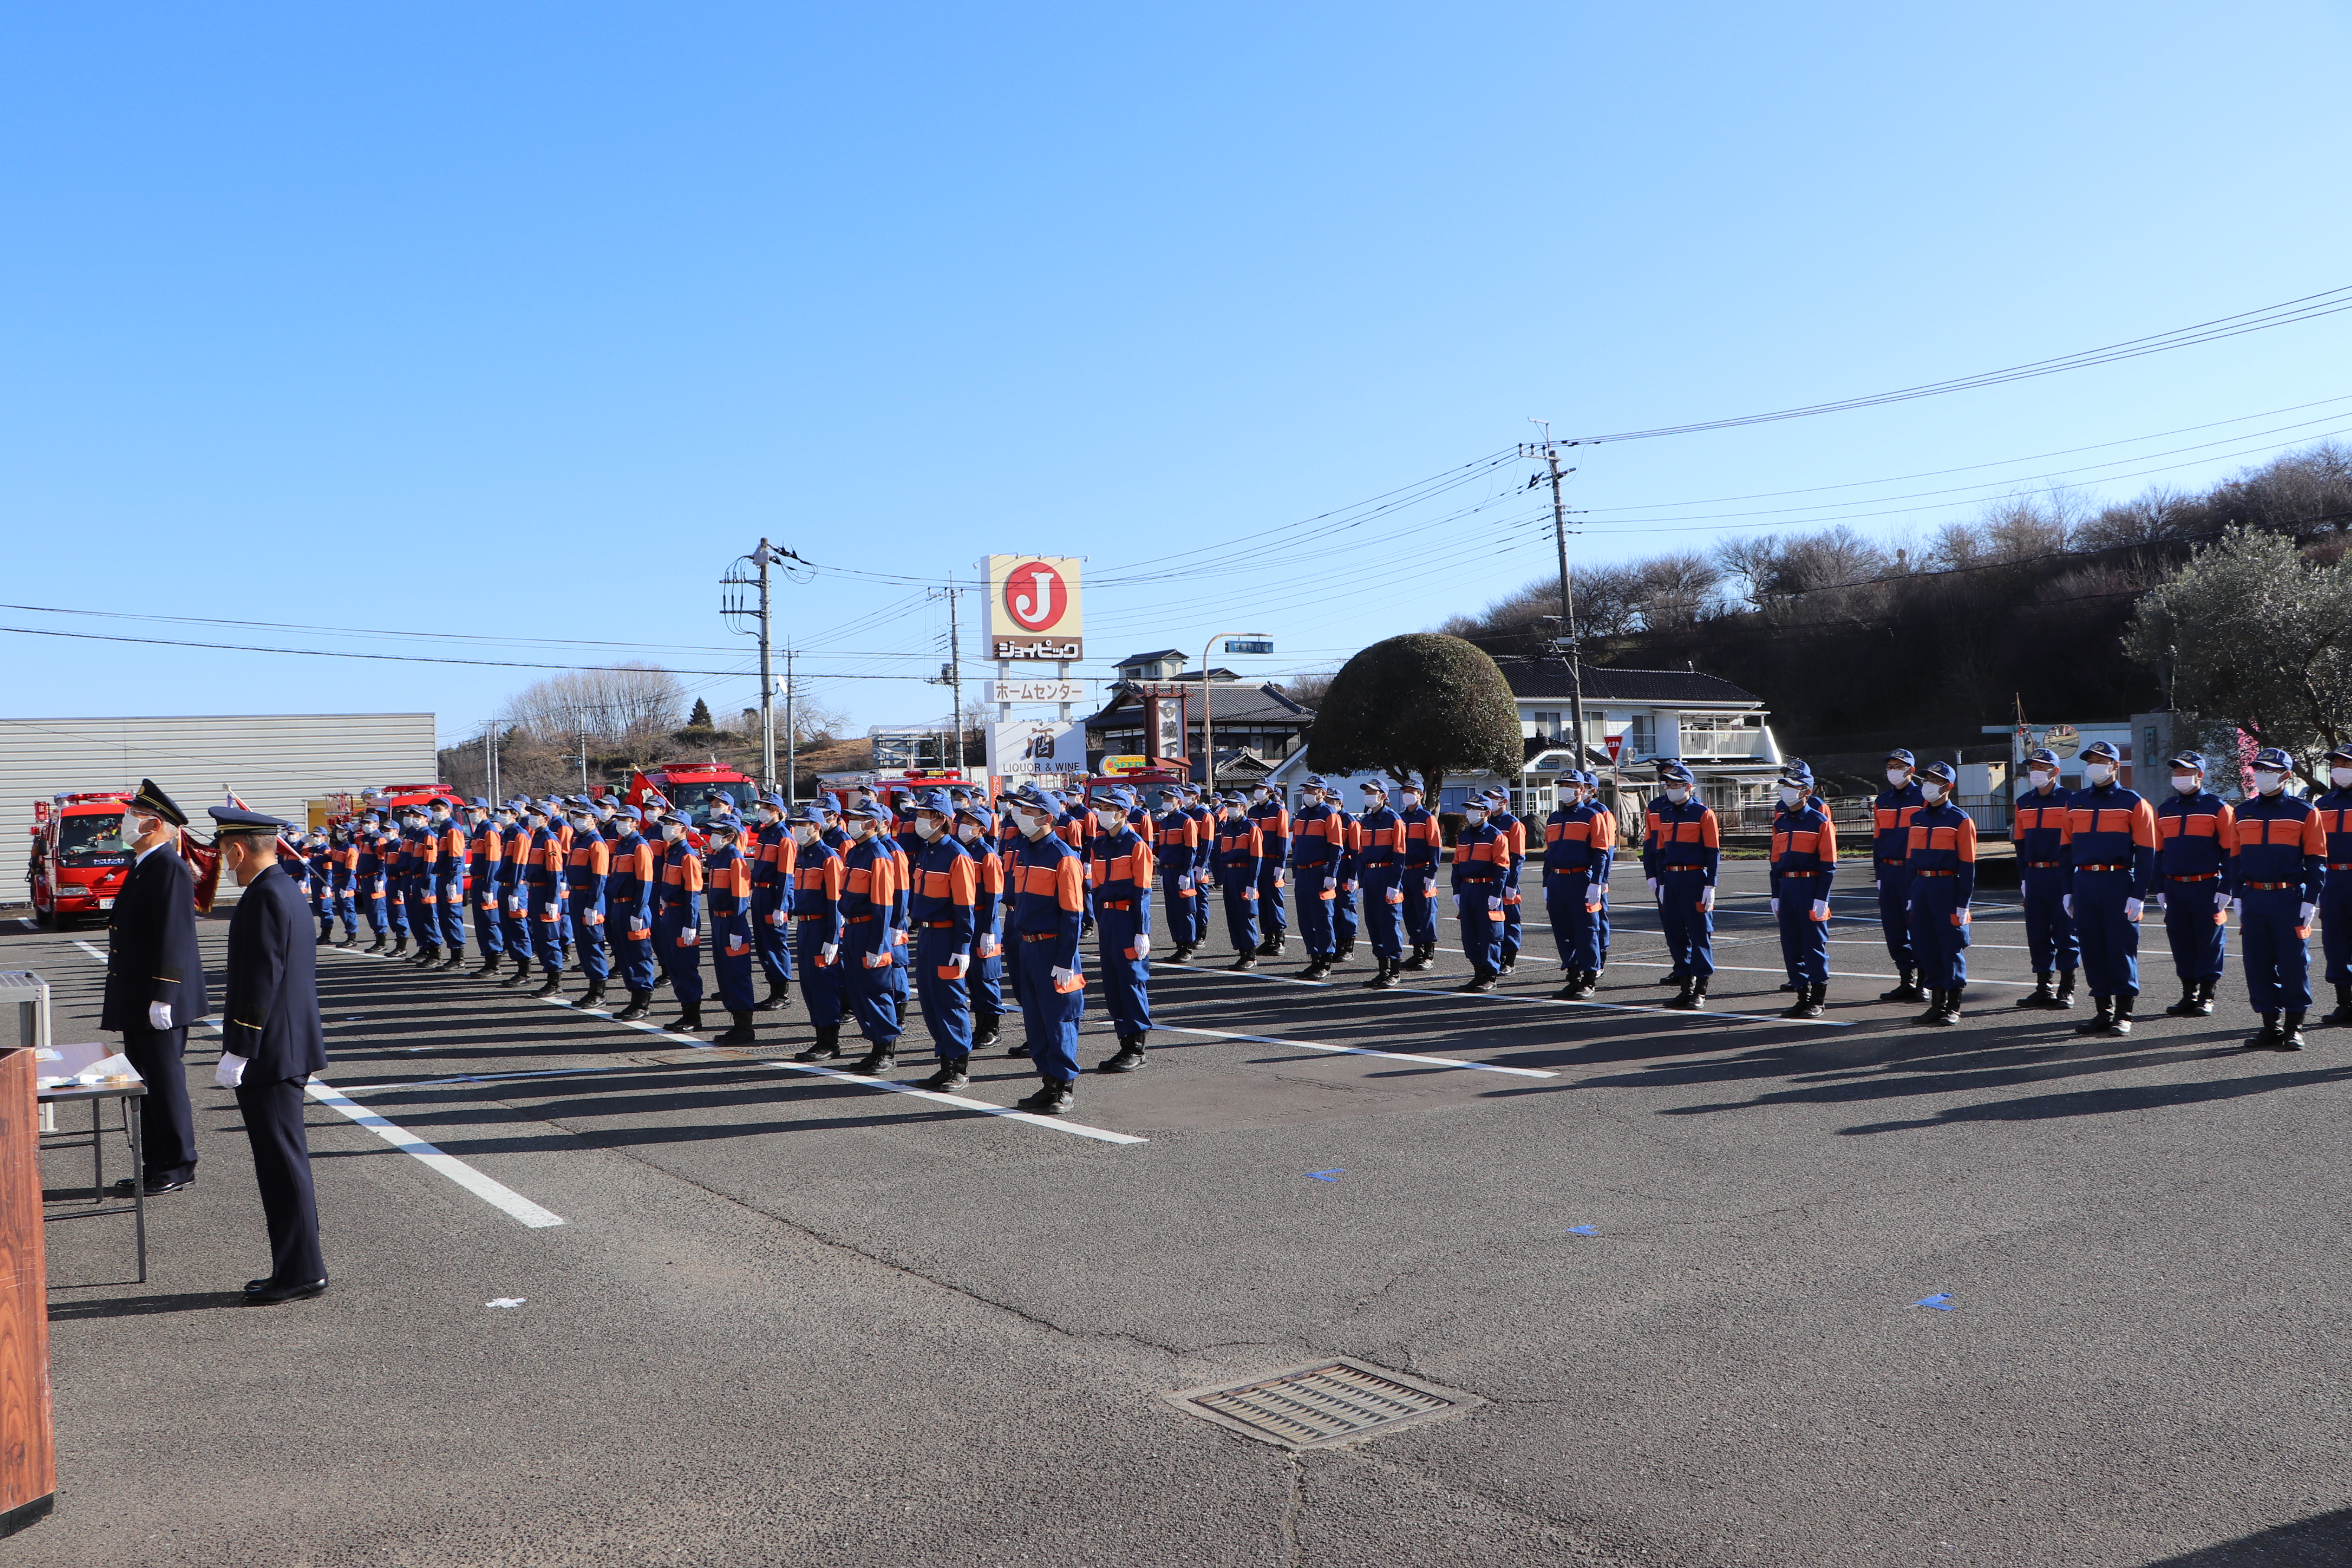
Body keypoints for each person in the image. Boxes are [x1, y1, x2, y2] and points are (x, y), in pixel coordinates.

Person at [207, 805, 329, 1305]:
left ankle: (301, 1271)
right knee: (282, 1163)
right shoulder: (283, 887)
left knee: (282, 1166)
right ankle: (296, 1266)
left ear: (238, 849)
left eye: (223, 851)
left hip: (272, 1052)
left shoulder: (263, 897)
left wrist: (239, 1046)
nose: (222, 861)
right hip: (284, 1047)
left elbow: (260, 980)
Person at [100, 780, 208, 1198]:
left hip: (158, 997)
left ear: (154, 823)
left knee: (164, 1083)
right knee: (144, 1082)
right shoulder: (145, 863)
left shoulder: (168, 867)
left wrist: (165, 993)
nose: (126, 822)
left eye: (133, 815)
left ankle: (179, 1163)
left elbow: (174, 934)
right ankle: (156, 1163)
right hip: (139, 996)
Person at [2229, 747, 2326, 1050]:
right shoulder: (2242, 811)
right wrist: (2237, 894)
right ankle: (2269, 1025)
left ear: (2286, 775)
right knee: (2257, 963)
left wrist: (2310, 899)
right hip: (2254, 897)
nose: (2262, 775)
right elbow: (2234, 856)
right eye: (2259, 769)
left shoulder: (2305, 812)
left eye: (2270, 770)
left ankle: (2294, 1027)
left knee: (2294, 963)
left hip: (2289, 898)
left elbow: (2316, 858)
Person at [2063, 739, 2157, 1037]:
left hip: (2117, 881)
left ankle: (2124, 1013)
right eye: (2091, 760)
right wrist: (2067, 889)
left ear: (2115, 766)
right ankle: (2102, 1011)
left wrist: (2138, 894)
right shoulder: (2075, 801)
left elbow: (2146, 853)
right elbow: (2065, 849)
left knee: (2120, 947)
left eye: (2101, 761)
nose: (2094, 766)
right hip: (2084, 881)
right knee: (2091, 947)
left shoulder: (2133, 802)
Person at [1002, 785, 1087, 1115]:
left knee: (1059, 1020)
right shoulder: (1025, 851)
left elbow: (1073, 913)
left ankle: (1064, 1086)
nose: (1020, 816)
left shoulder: (1063, 856)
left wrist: (1066, 959)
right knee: (1035, 1020)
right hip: (1027, 948)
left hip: (1053, 949)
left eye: (1027, 811)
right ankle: (1048, 1082)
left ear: (1047, 818)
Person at [2153, 751, 2235, 1018]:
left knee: (2209, 942)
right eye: (2176, 771)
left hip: (2206, 885)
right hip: (2175, 886)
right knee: (2180, 940)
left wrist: (2227, 888)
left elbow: (2232, 851)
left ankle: (2207, 995)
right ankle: (2188, 994)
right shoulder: (2165, 809)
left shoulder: (2218, 808)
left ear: (2200, 775)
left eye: (2186, 771)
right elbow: (2159, 852)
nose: (2179, 776)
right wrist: (2160, 887)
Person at [904, 790, 978, 1087]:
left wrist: (963, 946)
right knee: (931, 1001)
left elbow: (965, 906)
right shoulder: (927, 851)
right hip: (927, 935)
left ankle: (959, 1067)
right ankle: (945, 1061)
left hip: (947, 937)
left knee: (950, 1002)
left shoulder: (957, 856)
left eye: (924, 815)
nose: (919, 820)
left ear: (941, 820)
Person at [1900, 761, 1976, 1027]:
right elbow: (1911, 859)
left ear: (1948, 786)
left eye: (1934, 780)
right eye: (1926, 780)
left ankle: (1953, 1005)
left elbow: (1967, 865)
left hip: (1947, 886)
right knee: (1925, 945)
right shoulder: (1917, 818)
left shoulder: (1960, 819)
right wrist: (1911, 894)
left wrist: (1962, 904)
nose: (1928, 785)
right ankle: (1937, 1003)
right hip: (1922, 886)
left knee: (1951, 946)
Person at [1644, 763, 1721, 1010]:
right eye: (1668, 785)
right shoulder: (1665, 812)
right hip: (1672, 879)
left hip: (1695, 878)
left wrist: (1711, 885)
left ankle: (1701, 989)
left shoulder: (1703, 813)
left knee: (1699, 935)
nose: (1671, 789)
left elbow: (1713, 853)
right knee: (1676, 935)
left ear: (1689, 786)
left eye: (1676, 784)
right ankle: (1685, 987)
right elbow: (1660, 850)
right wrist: (1661, 881)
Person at [1087, 786, 1154, 1071]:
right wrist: (1100, 918)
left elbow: (1143, 891)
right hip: (1109, 921)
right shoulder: (1098, 846)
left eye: (1107, 808)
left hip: (1129, 920)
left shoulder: (1136, 845)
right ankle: (1123, 1042)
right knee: (1113, 983)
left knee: (1131, 980)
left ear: (1123, 813)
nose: (1101, 813)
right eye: (1099, 807)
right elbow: (1097, 888)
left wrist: (1142, 931)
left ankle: (1136, 1047)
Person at [838, 803, 906, 1073]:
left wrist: (878, 943)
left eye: (858, 819)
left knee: (877, 992)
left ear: (873, 824)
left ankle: (886, 1051)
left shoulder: (879, 855)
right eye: (851, 818)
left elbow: (883, 904)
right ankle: (875, 1045)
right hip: (853, 929)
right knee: (858, 991)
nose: (852, 823)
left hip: (869, 930)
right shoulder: (856, 853)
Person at [2011, 747, 2079, 1010]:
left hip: (2060, 875)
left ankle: (2066, 988)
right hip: (2034, 874)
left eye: (2042, 767)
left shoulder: (2071, 800)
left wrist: (2071, 880)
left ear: (2055, 771)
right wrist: (2023, 877)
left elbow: (2075, 843)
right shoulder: (2023, 802)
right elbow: (2019, 843)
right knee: (2037, 932)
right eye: (2033, 767)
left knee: (2065, 931)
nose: (2036, 772)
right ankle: (2043, 987)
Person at [1767, 764, 1837, 1020]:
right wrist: (1775, 894)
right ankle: (1802, 995)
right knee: (1791, 944)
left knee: (1813, 944)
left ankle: (1818, 998)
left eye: (1793, 787)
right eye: (1785, 786)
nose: (1787, 791)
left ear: (1806, 791)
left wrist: (1822, 898)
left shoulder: (1820, 822)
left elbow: (1829, 865)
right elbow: (1775, 862)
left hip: (1810, 886)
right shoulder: (1782, 822)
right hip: (1787, 886)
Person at [1541, 770, 1614, 1002]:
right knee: (1563, 931)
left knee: (1587, 930)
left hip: (1581, 879)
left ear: (1582, 789)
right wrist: (1546, 882)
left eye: (1571, 785)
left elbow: (1601, 853)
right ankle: (1573, 978)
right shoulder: (1553, 818)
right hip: (1557, 880)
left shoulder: (1593, 815)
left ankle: (1589, 979)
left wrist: (1597, 882)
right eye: (1562, 785)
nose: (1565, 789)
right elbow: (1548, 853)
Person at [788, 803, 850, 1063]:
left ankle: (829, 1042)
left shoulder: (829, 858)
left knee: (824, 985)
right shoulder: (803, 855)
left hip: (822, 928)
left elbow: (835, 901)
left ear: (816, 828)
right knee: (809, 986)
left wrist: (833, 937)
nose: (797, 829)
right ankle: (820, 1037)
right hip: (804, 927)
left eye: (802, 825)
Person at [701, 817, 759, 1046]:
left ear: (730, 837)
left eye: (717, 833)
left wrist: (736, 927)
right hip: (718, 922)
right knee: (724, 975)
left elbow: (741, 897)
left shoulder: (735, 859)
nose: (712, 837)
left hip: (732, 923)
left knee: (737, 975)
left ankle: (745, 1027)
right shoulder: (719, 858)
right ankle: (736, 1023)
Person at [604, 805, 661, 1020]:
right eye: (619, 819)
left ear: (636, 823)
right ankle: (634, 998)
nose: (621, 823)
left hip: (633, 907)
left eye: (626, 819)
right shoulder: (621, 846)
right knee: (625, 954)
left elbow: (645, 882)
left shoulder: (640, 846)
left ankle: (643, 1002)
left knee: (639, 954)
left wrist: (638, 911)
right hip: (618, 906)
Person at [1290, 777, 1350, 979]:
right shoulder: (1301, 815)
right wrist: (1295, 872)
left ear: (1322, 794)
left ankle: (1325, 962)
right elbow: (1296, 845)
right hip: (1303, 872)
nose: (1307, 793)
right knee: (1306, 919)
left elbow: (1336, 847)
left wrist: (1332, 874)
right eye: (1306, 788)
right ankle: (1314, 960)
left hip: (1320, 872)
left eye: (1312, 790)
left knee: (1323, 918)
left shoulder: (1329, 815)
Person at [651, 810, 706, 1030]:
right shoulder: (672, 852)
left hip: (683, 916)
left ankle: (694, 1017)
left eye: (672, 824)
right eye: (666, 823)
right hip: (670, 915)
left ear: (683, 828)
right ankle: (686, 1012)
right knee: (674, 966)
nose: (667, 827)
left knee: (685, 966)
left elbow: (693, 893)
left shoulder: (687, 855)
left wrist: (691, 924)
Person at [1451, 793, 1511, 993]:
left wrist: (1496, 892)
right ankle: (1478, 973)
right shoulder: (1465, 836)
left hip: (1486, 888)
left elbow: (1502, 867)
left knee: (1490, 934)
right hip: (1468, 888)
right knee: (1470, 934)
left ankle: (1490, 975)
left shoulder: (1496, 836)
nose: (1470, 813)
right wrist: (1457, 890)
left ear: (1486, 812)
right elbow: (1457, 865)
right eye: (1469, 808)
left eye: (1475, 809)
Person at [1353, 779, 1410, 989]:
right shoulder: (1365, 821)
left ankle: (1394, 970)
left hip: (1387, 874)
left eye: (1372, 792)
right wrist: (1361, 881)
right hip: (1370, 875)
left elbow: (1400, 854)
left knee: (1389, 922)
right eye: (1366, 792)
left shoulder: (1394, 820)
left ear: (1384, 796)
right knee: (1374, 923)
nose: (1368, 795)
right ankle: (1383, 969)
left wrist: (1395, 883)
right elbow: (1360, 853)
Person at [959, 801, 1007, 1049]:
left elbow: (993, 895)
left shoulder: (986, 855)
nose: (963, 826)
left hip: (983, 920)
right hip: (966, 919)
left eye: (970, 823)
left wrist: (989, 928)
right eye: (963, 821)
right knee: (972, 977)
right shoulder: (960, 851)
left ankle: (992, 1027)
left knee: (986, 975)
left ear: (981, 829)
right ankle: (979, 1026)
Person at [748, 793, 798, 1013]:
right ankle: (773, 989)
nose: (762, 810)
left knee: (776, 944)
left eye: (767, 807)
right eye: (762, 806)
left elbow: (786, 875)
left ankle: (782, 992)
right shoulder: (764, 834)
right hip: (760, 894)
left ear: (777, 810)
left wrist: (782, 905)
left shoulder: (784, 837)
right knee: (763, 944)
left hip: (773, 896)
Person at [2314, 743, 2352, 1026]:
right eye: (2336, 765)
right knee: (2335, 943)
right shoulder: (2322, 805)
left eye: (2346, 765)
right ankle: (2344, 1004)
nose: (2339, 770)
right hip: (2332, 880)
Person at [563, 802, 613, 1010]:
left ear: (594, 820)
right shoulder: (580, 840)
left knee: (592, 943)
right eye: (576, 817)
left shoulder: (596, 842)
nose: (578, 820)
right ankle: (592, 986)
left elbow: (600, 877)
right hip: (576, 895)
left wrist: (593, 904)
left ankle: (599, 989)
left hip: (588, 897)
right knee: (583, 944)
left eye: (584, 817)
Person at [1212, 792, 1264, 969]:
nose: (1231, 808)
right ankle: (1241, 951)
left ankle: (1250, 954)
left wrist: (1252, 882)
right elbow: (1223, 854)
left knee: (1246, 914)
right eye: (1229, 805)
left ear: (1243, 807)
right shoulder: (1226, 828)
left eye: (1235, 805)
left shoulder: (1251, 828)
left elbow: (1256, 857)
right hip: (1230, 874)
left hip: (1244, 873)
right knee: (1233, 914)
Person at [1151, 787, 1203, 962]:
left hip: (1181, 872)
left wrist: (1186, 872)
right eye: (1164, 797)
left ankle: (1187, 947)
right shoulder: (1166, 822)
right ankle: (1179, 946)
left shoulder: (1186, 821)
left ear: (1179, 802)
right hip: (1167, 871)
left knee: (1185, 910)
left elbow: (1191, 849)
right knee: (1172, 911)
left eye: (1169, 798)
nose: (1165, 800)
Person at [1396, 780, 1442, 971]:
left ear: (1421, 795)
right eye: (1405, 791)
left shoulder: (1427, 818)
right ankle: (1417, 952)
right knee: (1410, 914)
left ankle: (1428, 955)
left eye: (1412, 792)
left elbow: (1435, 846)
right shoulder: (1399, 818)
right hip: (1405, 873)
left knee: (1426, 914)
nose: (1408, 795)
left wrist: (1432, 872)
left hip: (1422, 871)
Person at [1482, 788, 1528, 975]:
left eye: (1495, 798)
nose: (1491, 801)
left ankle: (1509, 958)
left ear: (1505, 802)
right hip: (1489, 881)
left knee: (1510, 920)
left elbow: (1518, 857)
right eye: (1489, 798)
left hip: (1506, 881)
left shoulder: (1513, 824)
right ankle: (1496, 956)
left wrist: (1512, 883)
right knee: (1493, 921)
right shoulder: (1486, 823)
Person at [461, 800, 506, 977]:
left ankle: (494, 963)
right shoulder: (479, 830)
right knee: (481, 923)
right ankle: (488, 959)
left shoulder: (489, 831)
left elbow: (493, 862)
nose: (471, 813)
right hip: (478, 881)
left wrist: (489, 887)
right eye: (469, 811)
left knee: (490, 922)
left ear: (484, 811)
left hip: (487, 882)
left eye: (474, 810)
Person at [1246, 782, 1290, 956]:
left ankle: (1279, 940)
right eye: (1256, 788)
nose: (1258, 792)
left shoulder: (1279, 811)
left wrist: (1281, 863)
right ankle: (1268, 939)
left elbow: (1283, 838)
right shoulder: (1253, 812)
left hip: (1272, 862)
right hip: (1257, 862)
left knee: (1274, 900)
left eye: (1261, 789)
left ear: (1270, 792)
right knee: (1261, 901)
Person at [324, 822, 360, 948]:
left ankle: (352, 937)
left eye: (341, 831)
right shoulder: (340, 847)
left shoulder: (350, 847)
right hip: (338, 882)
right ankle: (350, 934)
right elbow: (328, 858)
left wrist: (346, 886)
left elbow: (350, 870)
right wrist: (310, 860)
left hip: (346, 883)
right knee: (342, 910)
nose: (338, 833)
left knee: (348, 910)